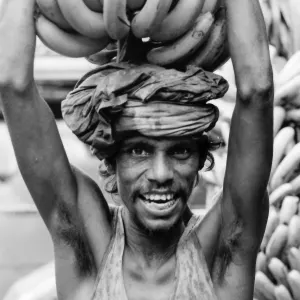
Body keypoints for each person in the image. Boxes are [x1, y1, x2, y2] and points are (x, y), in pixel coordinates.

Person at [0, 0, 274, 299]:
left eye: (180, 151)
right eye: (138, 152)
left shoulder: (221, 251)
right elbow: (13, 87)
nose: (160, 174)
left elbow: (256, 92)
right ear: (110, 163)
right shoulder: (88, 248)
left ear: (200, 162)